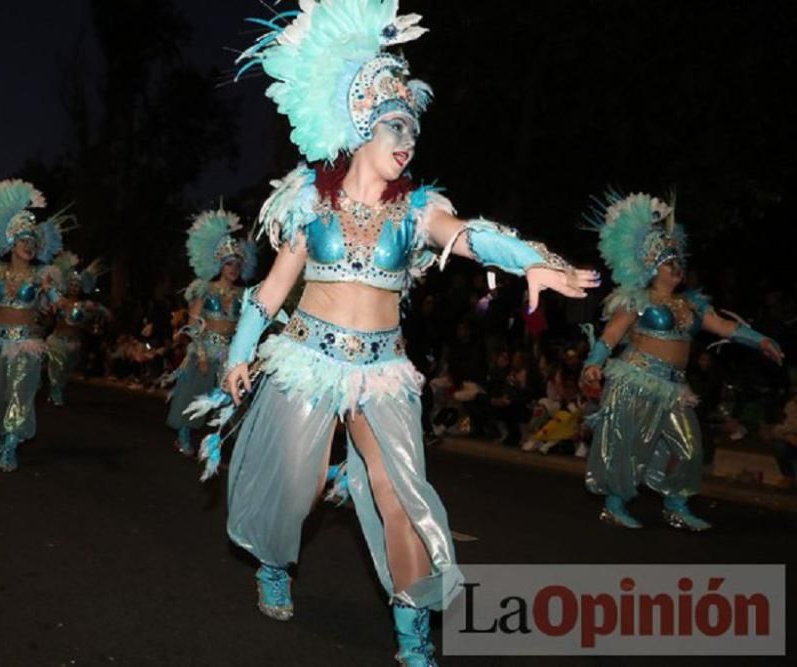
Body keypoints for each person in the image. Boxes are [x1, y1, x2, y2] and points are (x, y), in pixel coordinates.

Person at [216, 3, 599, 664]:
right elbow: (273, 290)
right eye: (396, 127)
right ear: (362, 126)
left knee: (400, 493)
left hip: (382, 370)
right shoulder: (312, 199)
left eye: (413, 132)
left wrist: (531, 258)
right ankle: (276, 563)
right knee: (299, 492)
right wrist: (238, 353)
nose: (407, 142)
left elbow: (468, 236)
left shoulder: (417, 210)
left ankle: (411, 623)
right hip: (307, 358)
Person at [581, 192, 783, 530]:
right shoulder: (637, 299)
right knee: (629, 446)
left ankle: (677, 505)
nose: (677, 268)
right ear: (652, 266)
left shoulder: (692, 305)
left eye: (678, 262)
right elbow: (611, 336)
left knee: (689, 446)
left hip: (674, 386)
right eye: (669, 262)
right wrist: (593, 363)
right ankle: (615, 505)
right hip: (636, 380)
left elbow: (724, 326)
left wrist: (759, 339)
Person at [0, 179, 72, 472]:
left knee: (21, 392)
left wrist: (56, 297)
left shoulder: (42, 275)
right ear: (11, 241)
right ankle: (3, 430)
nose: (29, 246)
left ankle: (11, 442)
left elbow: (57, 303)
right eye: (24, 240)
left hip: (26, 343)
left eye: (33, 242)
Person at [166, 206, 255, 454]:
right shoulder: (204, 289)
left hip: (229, 353)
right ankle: (183, 436)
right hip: (204, 351)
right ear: (220, 265)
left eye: (237, 265)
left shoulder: (243, 295)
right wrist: (202, 355)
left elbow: (244, 328)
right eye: (229, 264)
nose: (233, 269)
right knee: (194, 396)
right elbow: (193, 326)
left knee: (232, 399)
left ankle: (236, 445)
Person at [45, 252, 110, 407]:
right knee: (56, 367)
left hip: (74, 344)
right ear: (67, 286)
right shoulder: (60, 301)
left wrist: (103, 312)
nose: (74, 287)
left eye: (77, 285)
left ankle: (57, 389)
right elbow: (48, 311)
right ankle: (56, 393)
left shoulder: (84, 305)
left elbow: (100, 312)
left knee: (66, 370)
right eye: (72, 285)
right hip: (57, 341)